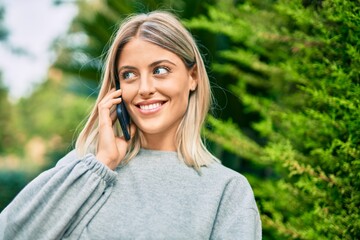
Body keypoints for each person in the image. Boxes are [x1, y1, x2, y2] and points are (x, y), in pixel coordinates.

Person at [0, 11, 261, 239]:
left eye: (160, 70)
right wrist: (101, 165)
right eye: (129, 75)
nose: (144, 89)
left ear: (192, 77)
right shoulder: (84, 166)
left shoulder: (227, 191)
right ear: (116, 88)